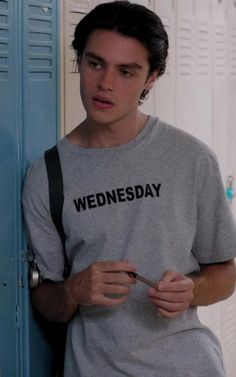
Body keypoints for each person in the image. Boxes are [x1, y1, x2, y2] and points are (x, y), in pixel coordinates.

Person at [22, 1, 236, 376]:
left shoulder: (191, 158)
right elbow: (46, 299)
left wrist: (191, 290)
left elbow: (225, 273)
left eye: (126, 71)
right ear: (79, 61)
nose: (105, 84)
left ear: (151, 78)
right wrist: (75, 291)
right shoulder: (47, 176)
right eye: (95, 64)